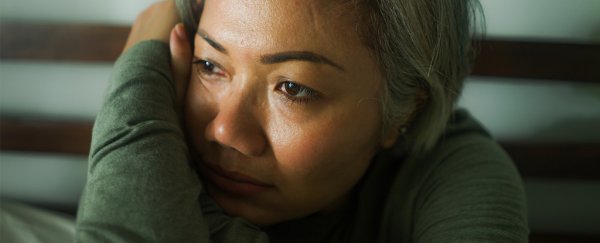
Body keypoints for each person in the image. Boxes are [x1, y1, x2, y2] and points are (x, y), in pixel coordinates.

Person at [76, 0, 529, 242]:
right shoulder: (176, 118)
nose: (226, 131)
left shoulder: (457, 173)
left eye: (293, 88)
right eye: (210, 65)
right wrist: (144, 75)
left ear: (404, 109)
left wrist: (135, 88)